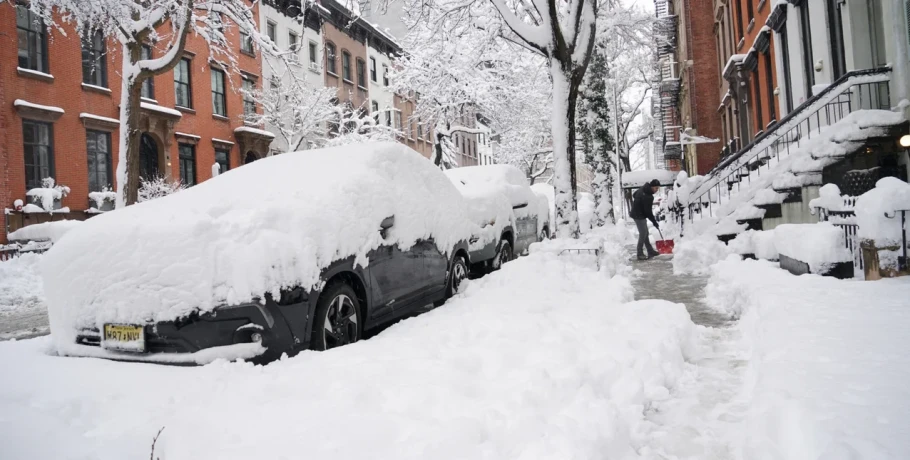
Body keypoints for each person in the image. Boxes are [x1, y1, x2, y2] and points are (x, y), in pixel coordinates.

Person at [630, 179, 661, 260]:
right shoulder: (648, 196)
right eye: (656, 188)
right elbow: (648, 212)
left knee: (645, 233)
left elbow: (634, 194)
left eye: (658, 188)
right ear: (651, 186)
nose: (657, 190)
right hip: (638, 215)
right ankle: (639, 253)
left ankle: (650, 250)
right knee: (643, 233)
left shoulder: (643, 188)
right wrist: (654, 222)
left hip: (638, 213)